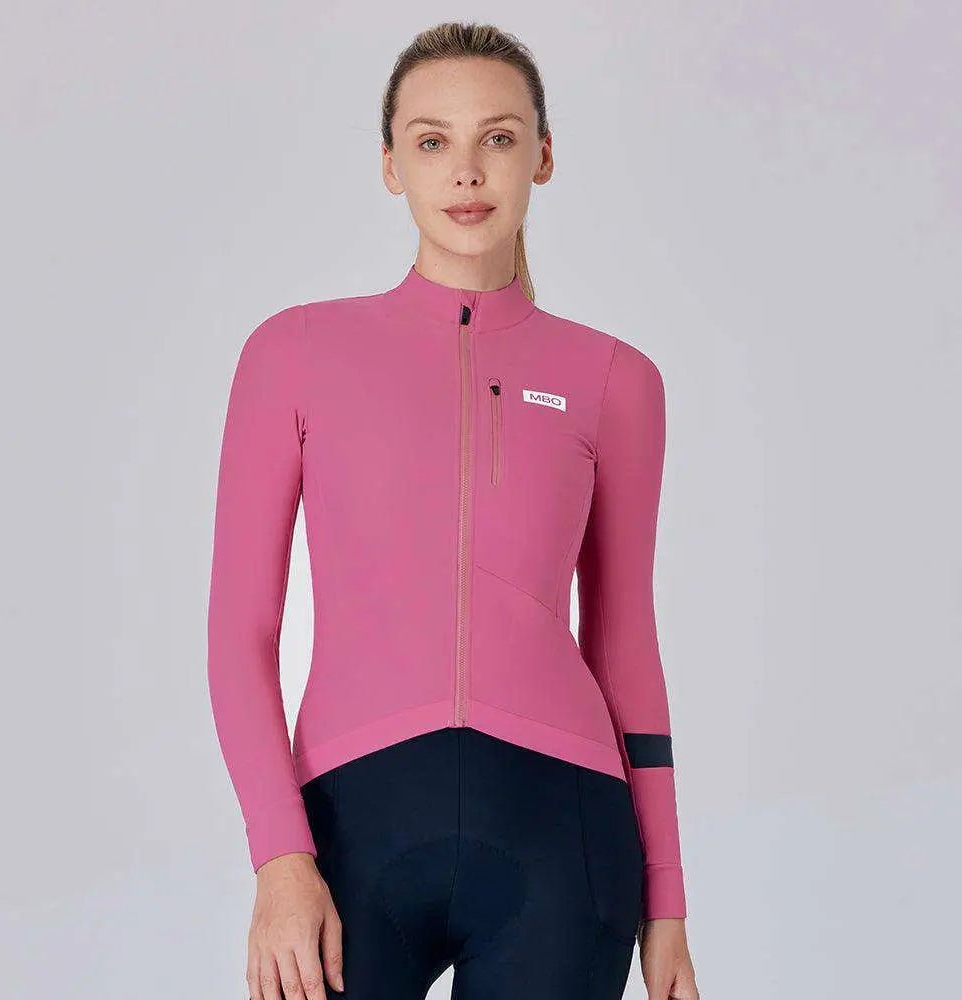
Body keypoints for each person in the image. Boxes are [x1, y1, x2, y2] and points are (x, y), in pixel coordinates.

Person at [207, 19, 700, 1000]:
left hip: (567, 838)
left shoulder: (615, 380)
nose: (466, 171)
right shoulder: (293, 352)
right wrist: (278, 857)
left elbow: (624, 646)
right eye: (432, 140)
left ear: (542, 156)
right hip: (348, 832)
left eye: (498, 138)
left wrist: (668, 898)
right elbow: (239, 636)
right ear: (392, 165)